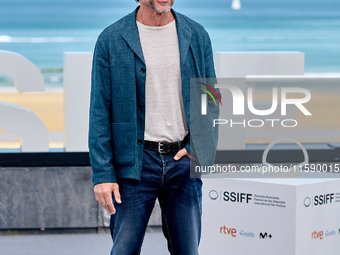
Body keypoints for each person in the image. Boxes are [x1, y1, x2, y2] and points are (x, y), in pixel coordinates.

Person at [89, 0, 220, 254]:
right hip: (134, 164)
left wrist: (198, 147)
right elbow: (99, 112)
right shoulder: (111, 39)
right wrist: (103, 175)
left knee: (188, 251)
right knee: (123, 250)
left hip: (183, 162)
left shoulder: (196, 34)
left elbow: (210, 100)